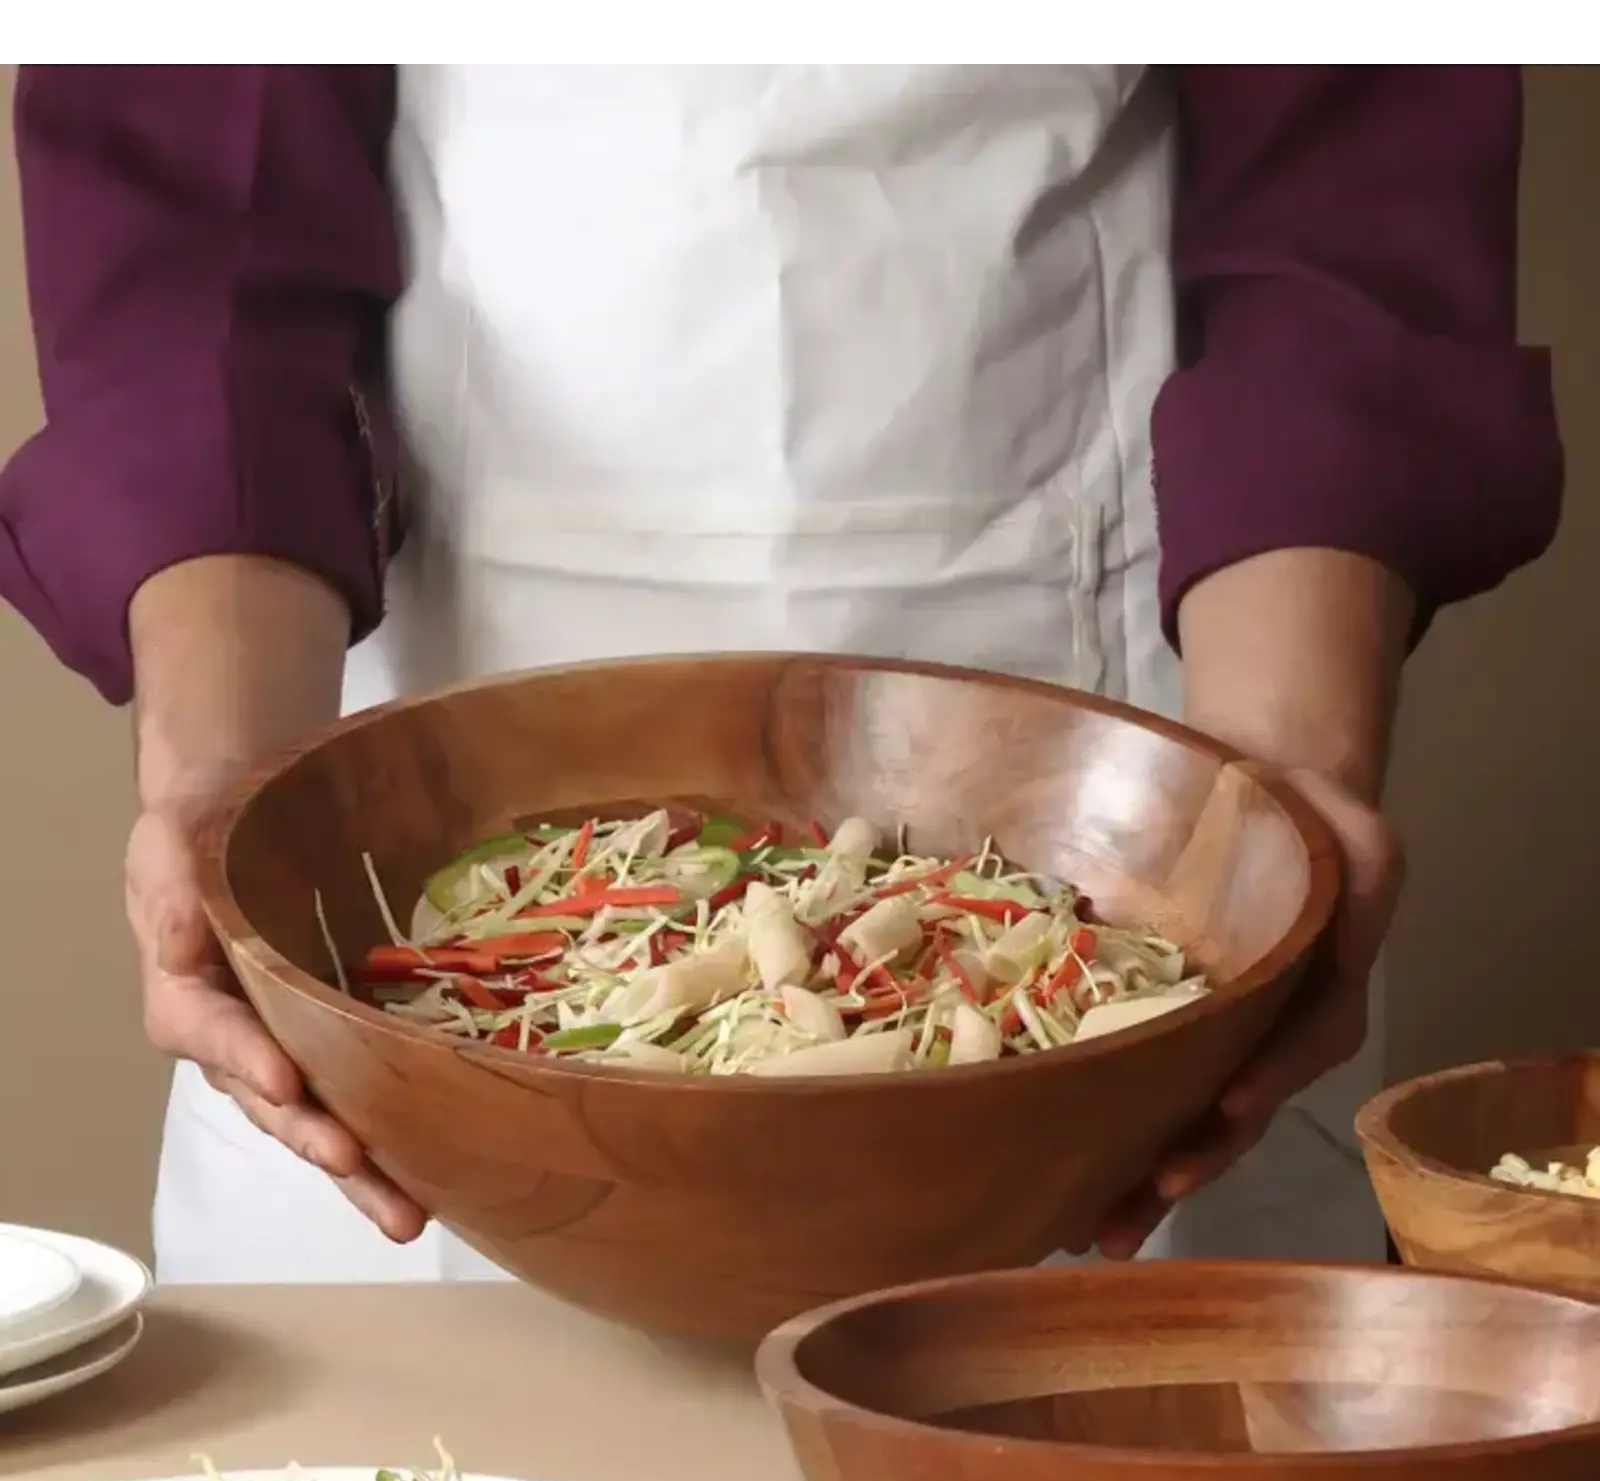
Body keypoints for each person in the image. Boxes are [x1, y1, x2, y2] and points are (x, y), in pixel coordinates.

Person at [0, 64, 1563, 1286]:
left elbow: (1351, 192)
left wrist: (1278, 796)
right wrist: (224, 786)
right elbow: (198, 220)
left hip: (1106, 838)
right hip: (434, 915)